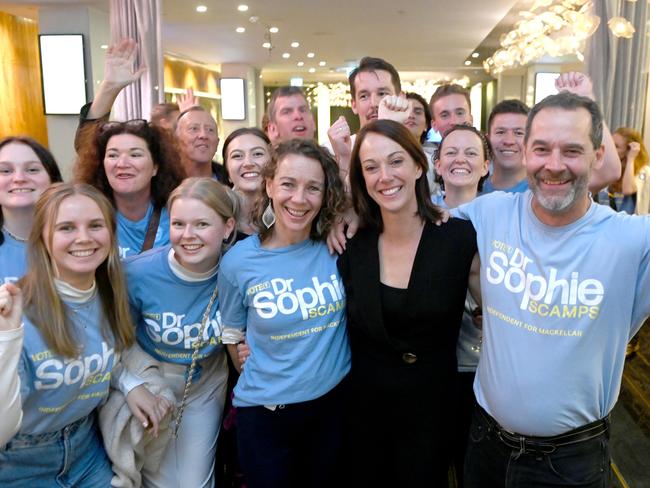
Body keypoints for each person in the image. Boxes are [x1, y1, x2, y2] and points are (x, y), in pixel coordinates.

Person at [454, 91, 650, 487]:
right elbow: (409, 227)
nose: (554, 165)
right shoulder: (490, 214)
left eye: (572, 150)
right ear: (525, 152)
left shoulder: (632, 240)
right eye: (541, 148)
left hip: (571, 462)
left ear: (598, 156)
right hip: (484, 443)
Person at [339, 119, 479, 486]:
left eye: (396, 161)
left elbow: (491, 311)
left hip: (431, 413)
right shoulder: (353, 241)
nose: (384, 176)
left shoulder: (459, 237)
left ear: (420, 165)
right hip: (364, 413)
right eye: (371, 167)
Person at [0, 182, 169, 485]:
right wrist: (6, 339)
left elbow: (97, 352)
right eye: (66, 227)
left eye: (95, 225)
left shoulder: (109, 293)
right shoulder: (14, 312)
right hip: (18, 463)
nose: (83, 238)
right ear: (43, 237)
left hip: (85, 449)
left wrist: (129, 383)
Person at [218, 139, 349, 488]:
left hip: (330, 411)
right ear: (270, 184)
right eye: (289, 184)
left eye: (313, 188)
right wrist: (241, 358)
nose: (299, 198)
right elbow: (232, 331)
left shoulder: (338, 248)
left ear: (326, 195)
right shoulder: (238, 262)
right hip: (264, 417)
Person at [125, 177, 237, 488]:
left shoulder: (240, 269)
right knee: (153, 480)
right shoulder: (137, 273)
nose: (188, 236)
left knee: (194, 483)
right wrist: (132, 384)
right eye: (178, 224)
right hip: (150, 382)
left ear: (228, 228)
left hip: (203, 385)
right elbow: (113, 339)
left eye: (202, 224)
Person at [433, 124, 490, 486]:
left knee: (478, 469)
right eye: (451, 152)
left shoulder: (504, 218)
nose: (460, 160)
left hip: (487, 366)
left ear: (486, 166)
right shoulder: (423, 218)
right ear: (437, 164)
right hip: (439, 365)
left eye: (471, 153)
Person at [75, 118, 185, 258]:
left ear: (155, 167)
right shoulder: (88, 215)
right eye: (113, 155)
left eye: (135, 155)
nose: (122, 163)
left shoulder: (177, 215)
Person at [0, 137, 62, 284]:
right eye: (6, 171)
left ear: (53, 180)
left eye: (32, 169)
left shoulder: (79, 240)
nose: (19, 178)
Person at [326, 56, 401, 173]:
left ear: (399, 97)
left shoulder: (412, 151)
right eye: (364, 96)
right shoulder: (332, 152)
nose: (374, 103)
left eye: (382, 93)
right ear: (354, 105)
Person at [222, 127, 272, 235]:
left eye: (257, 154)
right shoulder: (215, 214)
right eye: (237, 156)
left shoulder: (287, 212)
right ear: (227, 170)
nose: (248, 163)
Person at [175, 106, 228, 182]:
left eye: (210, 130)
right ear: (176, 141)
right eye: (194, 129)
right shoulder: (159, 187)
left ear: (217, 142)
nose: (203, 135)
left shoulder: (232, 184)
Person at [609, 127, 650, 215]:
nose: (611, 149)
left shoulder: (644, 171)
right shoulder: (613, 168)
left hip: (633, 223)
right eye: (610, 144)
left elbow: (628, 190)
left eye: (616, 146)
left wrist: (631, 158)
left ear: (629, 150)